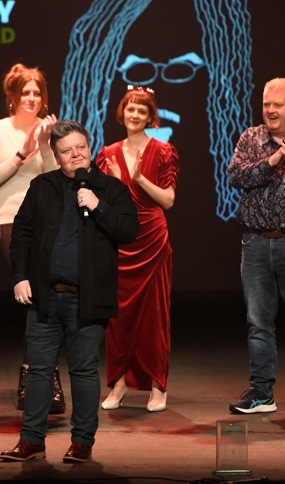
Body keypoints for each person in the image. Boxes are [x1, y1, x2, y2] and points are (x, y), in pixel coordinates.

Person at [0, 121, 140, 463]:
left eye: (81, 147)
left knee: (84, 371)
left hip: (87, 299)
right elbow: (22, 233)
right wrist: (20, 276)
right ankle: (32, 439)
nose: (76, 155)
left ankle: (82, 441)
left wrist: (98, 205)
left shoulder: (111, 189)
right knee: (39, 371)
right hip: (45, 298)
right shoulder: (42, 186)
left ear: (89, 148)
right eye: (67, 151)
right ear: (55, 156)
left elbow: (130, 230)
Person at [0, 63, 63, 413]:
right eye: (25, 92)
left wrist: (45, 145)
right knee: (33, 296)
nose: (32, 98)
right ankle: (37, 378)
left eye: (37, 92)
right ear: (12, 97)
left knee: (49, 299)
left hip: (48, 221)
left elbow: (60, 178)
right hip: (11, 219)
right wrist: (22, 152)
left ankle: (43, 377)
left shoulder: (51, 129)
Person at [96, 86, 178, 413]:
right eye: (130, 108)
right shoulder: (107, 153)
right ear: (122, 112)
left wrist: (139, 179)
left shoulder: (164, 150)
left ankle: (159, 387)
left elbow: (169, 200)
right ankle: (117, 385)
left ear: (150, 117)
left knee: (156, 317)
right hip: (121, 241)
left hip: (152, 239)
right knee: (118, 318)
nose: (134, 115)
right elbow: (101, 205)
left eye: (141, 110)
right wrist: (115, 183)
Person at [228, 77, 285, 415]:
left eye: (278, 104)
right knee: (258, 321)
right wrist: (272, 162)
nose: (270, 110)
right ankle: (262, 393)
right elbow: (236, 176)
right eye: (266, 104)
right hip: (255, 241)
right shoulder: (251, 137)